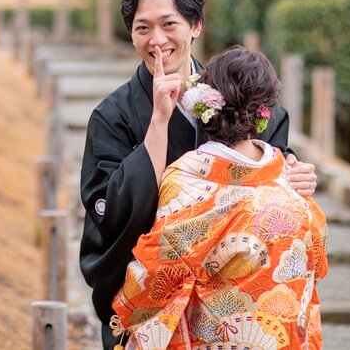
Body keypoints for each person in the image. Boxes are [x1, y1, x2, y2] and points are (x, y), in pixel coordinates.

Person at [79, 0, 318, 349]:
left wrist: (293, 171)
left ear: (196, 25)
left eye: (168, 23)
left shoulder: (238, 98)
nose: (157, 40)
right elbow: (114, 213)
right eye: (143, 28)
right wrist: (159, 121)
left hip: (233, 300)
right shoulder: (112, 116)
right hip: (153, 298)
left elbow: (271, 164)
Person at [110, 46, 328, 349]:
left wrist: (126, 305)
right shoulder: (290, 177)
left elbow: (156, 272)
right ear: (265, 111)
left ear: (202, 104)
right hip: (280, 337)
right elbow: (317, 261)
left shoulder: (188, 179)